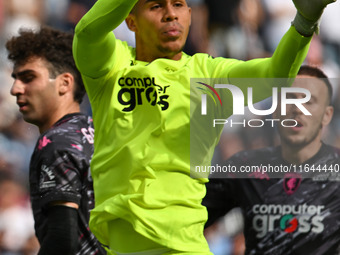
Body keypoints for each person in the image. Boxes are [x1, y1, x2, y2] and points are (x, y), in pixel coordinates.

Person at [72, 0, 336, 254]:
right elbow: (87, 33)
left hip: (180, 245)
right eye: (155, 6)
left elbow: (272, 75)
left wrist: (304, 22)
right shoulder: (112, 65)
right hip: (117, 248)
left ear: (189, 14)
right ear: (131, 21)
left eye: (178, 5)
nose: (170, 14)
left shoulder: (208, 76)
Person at [203, 65, 340, 254]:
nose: (297, 109)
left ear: (327, 115)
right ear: (276, 111)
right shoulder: (245, 167)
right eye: (290, 98)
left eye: (309, 101)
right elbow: (186, 217)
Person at [6, 26, 106, 255]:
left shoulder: (56, 143)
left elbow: (62, 239)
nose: (15, 89)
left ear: (64, 83)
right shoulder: (99, 132)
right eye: (15, 79)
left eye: (28, 77)